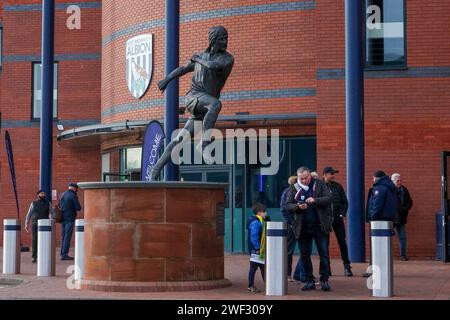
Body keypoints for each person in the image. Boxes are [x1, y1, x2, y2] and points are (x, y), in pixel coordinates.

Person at [150, 26, 234, 180]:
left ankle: (153, 173)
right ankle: (204, 143)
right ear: (213, 40)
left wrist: (197, 59)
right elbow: (183, 69)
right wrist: (167, 80)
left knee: (178, 141)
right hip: (193, 98)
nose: (225, 41)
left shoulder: (227, 59)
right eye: (222, 38)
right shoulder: (201, 56)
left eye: (226, 38)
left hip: (203, 108)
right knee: (216, 104)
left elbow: (213, 66)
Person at [286, 167, 333, 292]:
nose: (303, 180)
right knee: (305, 255)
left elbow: (328, 198)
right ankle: (309, 280)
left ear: (310, 176)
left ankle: (324, 280)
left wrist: (315, 200)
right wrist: (297, 206)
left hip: (319, 226)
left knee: (324, 254)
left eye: (305, 178)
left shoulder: (320, 184)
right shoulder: (294, 188)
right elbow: (287, 205)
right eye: (301, 178)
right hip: (303, 227)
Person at [323, 166, 353, 277]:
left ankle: (347, 266)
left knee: (342, 242)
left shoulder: (338, 187)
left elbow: (345, 202)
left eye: (333, 173)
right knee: (324, 244)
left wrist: (342, 214)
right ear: (325, 175)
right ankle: (327, 268)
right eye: (331, 174)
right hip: (325, 219)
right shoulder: (320, 186)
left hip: (337, 218)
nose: (333, 176)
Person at [281, 175, 306, 282]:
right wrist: (292, 222)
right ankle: (288, 274)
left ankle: (296, 274)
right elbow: (284, 209)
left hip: (300, 224)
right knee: (290, 250)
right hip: (292, 225)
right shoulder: (288, 192)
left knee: (301, 250)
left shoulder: (302, 192)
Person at [24, 190, 54, 263]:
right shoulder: (33, 203)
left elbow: (52, 213)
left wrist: (51, 219)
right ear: (38, 195)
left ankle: (44, 256)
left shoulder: (48, 203)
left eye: (44, 193)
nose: (43, 195)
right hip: (35, 224)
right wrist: (26, 224)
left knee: (45, 240)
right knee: (35, 240)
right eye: (42, 193)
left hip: (45, 225)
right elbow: (29, 214)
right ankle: (34, 257)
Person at [247, 202, 269, 293]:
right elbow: (254, 236)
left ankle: (267, 284)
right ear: (259, 212)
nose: (266, 213)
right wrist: (257, 248)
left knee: (262, 267)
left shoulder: (259, 220)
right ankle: (251, 285)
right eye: (264, 212)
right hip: (256, 249)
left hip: (258, 249)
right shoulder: (256, 222)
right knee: (255, 267)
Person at [391, 173, 413, 261]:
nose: (399, 182)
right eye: (397, 181)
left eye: (400, 180)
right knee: (387, 237)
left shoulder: (404, 190)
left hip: (401, 218)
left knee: (403, 237)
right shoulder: (389, 190)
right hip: (391, 218)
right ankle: (386, 254)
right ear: (392, 181)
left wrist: (405, 209)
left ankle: (402, 255)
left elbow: (410, 202)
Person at [59, 183, 82, 260]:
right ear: (75, 188)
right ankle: (64, 254)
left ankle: (62, 253)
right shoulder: (73, 195)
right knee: (67, 237)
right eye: (76, 189)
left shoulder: (63, 194)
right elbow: (78, 207)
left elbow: (59, 205)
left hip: (62, 218)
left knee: (64, 236)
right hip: (70, 218)